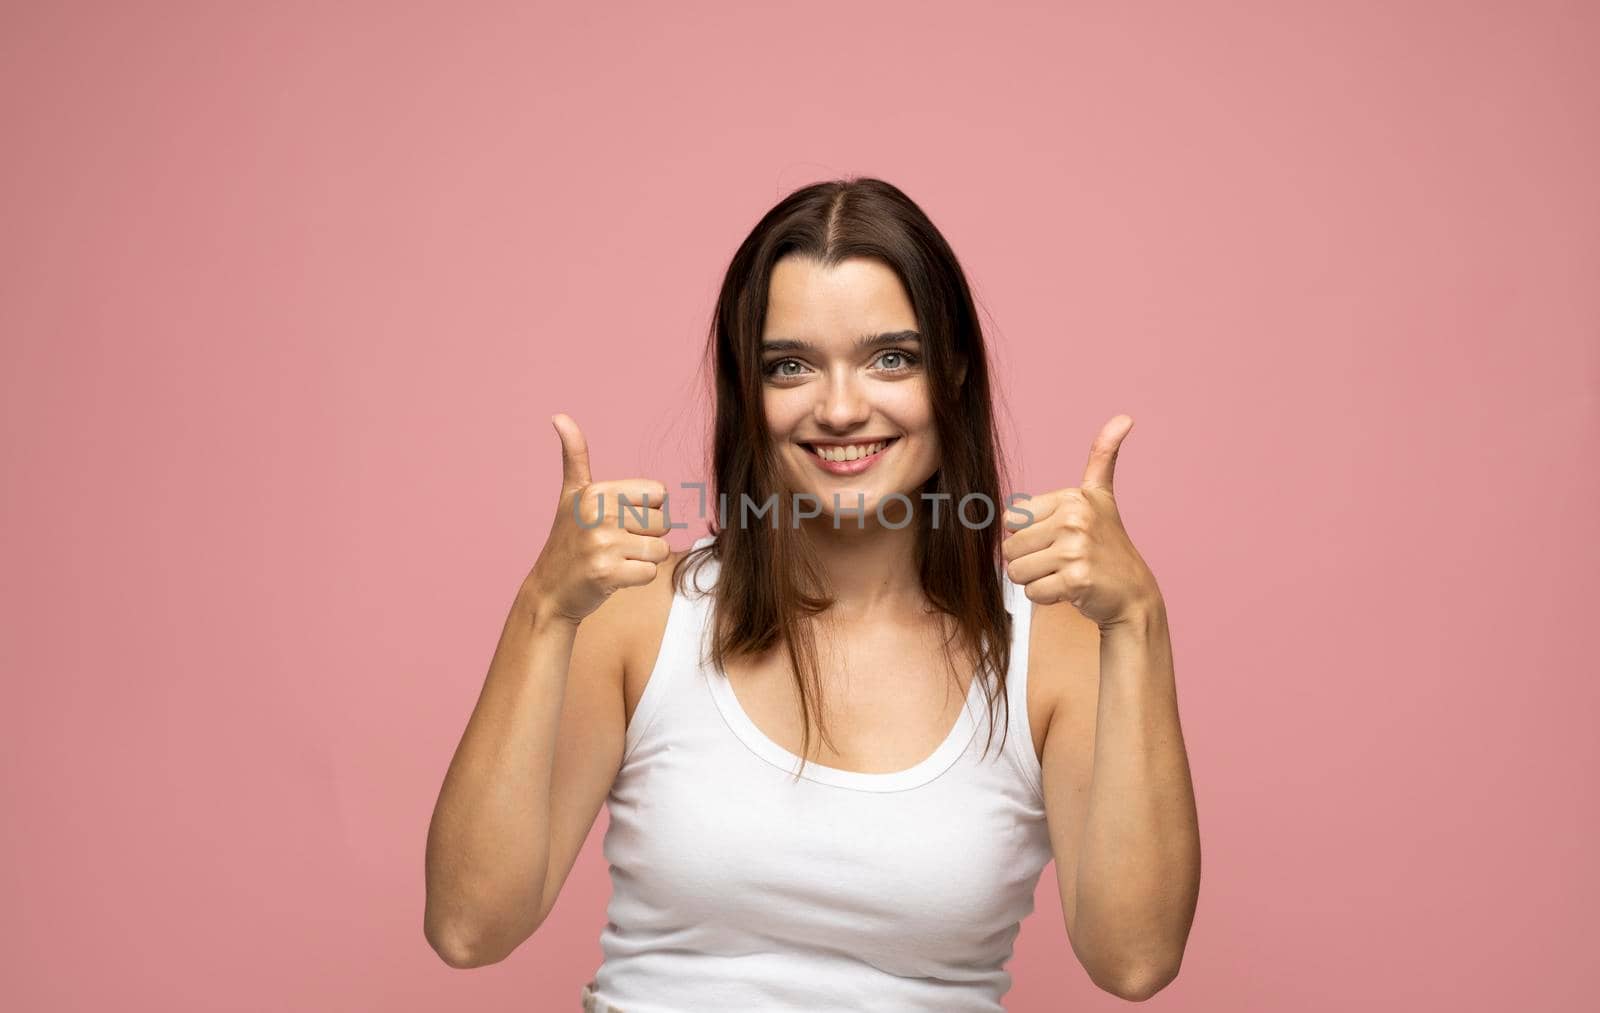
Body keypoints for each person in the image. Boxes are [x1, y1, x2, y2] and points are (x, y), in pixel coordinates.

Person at [424, 177, 1201, 1010]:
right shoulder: (638, 616)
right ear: (748, 393)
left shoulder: (1055, 649)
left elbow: (1136, 960)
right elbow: (471, 927)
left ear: (956, 370)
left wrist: (1138, 621)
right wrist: (542, 608)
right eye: (790, 365)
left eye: (890, 358)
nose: (839, 408)